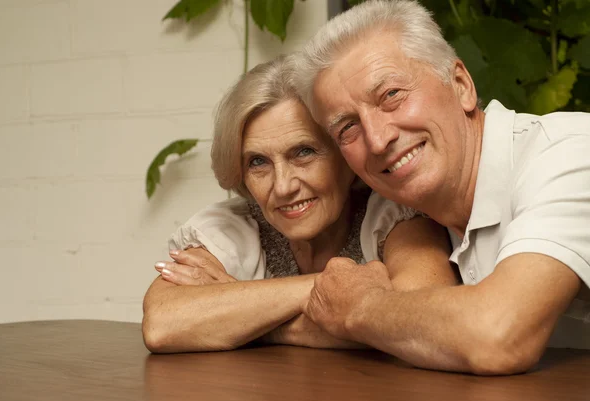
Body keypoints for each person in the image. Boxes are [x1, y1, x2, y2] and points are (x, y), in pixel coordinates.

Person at [292, 0, 590, 375]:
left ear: (462, 86)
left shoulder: (570, 152)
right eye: (347, 128)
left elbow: (499, 335)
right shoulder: (394, 210)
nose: (378, 139)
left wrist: (360, 306)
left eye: (391, 95)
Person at [142, 55, 458, 353]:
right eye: (258, 162)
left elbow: (424, 323)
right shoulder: (237, 226)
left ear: (346, 154)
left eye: (303, 152)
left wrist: (246, 314)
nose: (282, 186)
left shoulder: (393, 215)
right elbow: (162, 324)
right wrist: (338, 293)